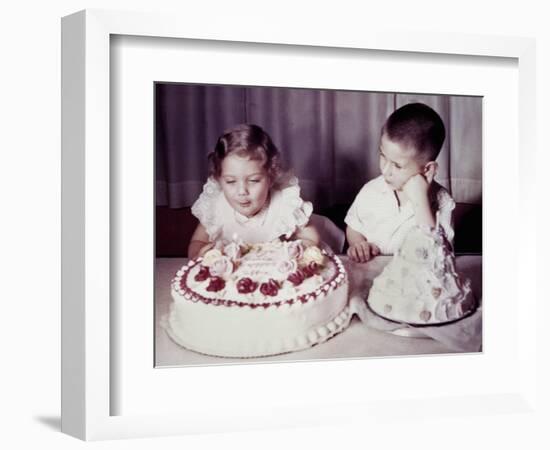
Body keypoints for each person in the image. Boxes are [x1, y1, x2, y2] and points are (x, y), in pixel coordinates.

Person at [188, 124, 320, 259]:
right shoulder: (215, 207)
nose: (242, 191)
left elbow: (311, 238)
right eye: (231, 182)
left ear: (271, 177)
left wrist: (299, 249)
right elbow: (197, 242)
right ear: (219, 179)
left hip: (277, 275)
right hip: (232, 278)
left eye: (254, 180)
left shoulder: (285, 204)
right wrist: (201, 254)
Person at [345, 102, 455, 263]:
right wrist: (358, 244)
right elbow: (354, 227)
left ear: (427, 170)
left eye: (397, 165)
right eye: (382, 155)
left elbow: (440, 259)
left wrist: (420, 201)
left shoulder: (444, 202)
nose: (385, 170)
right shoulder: (371, 190)